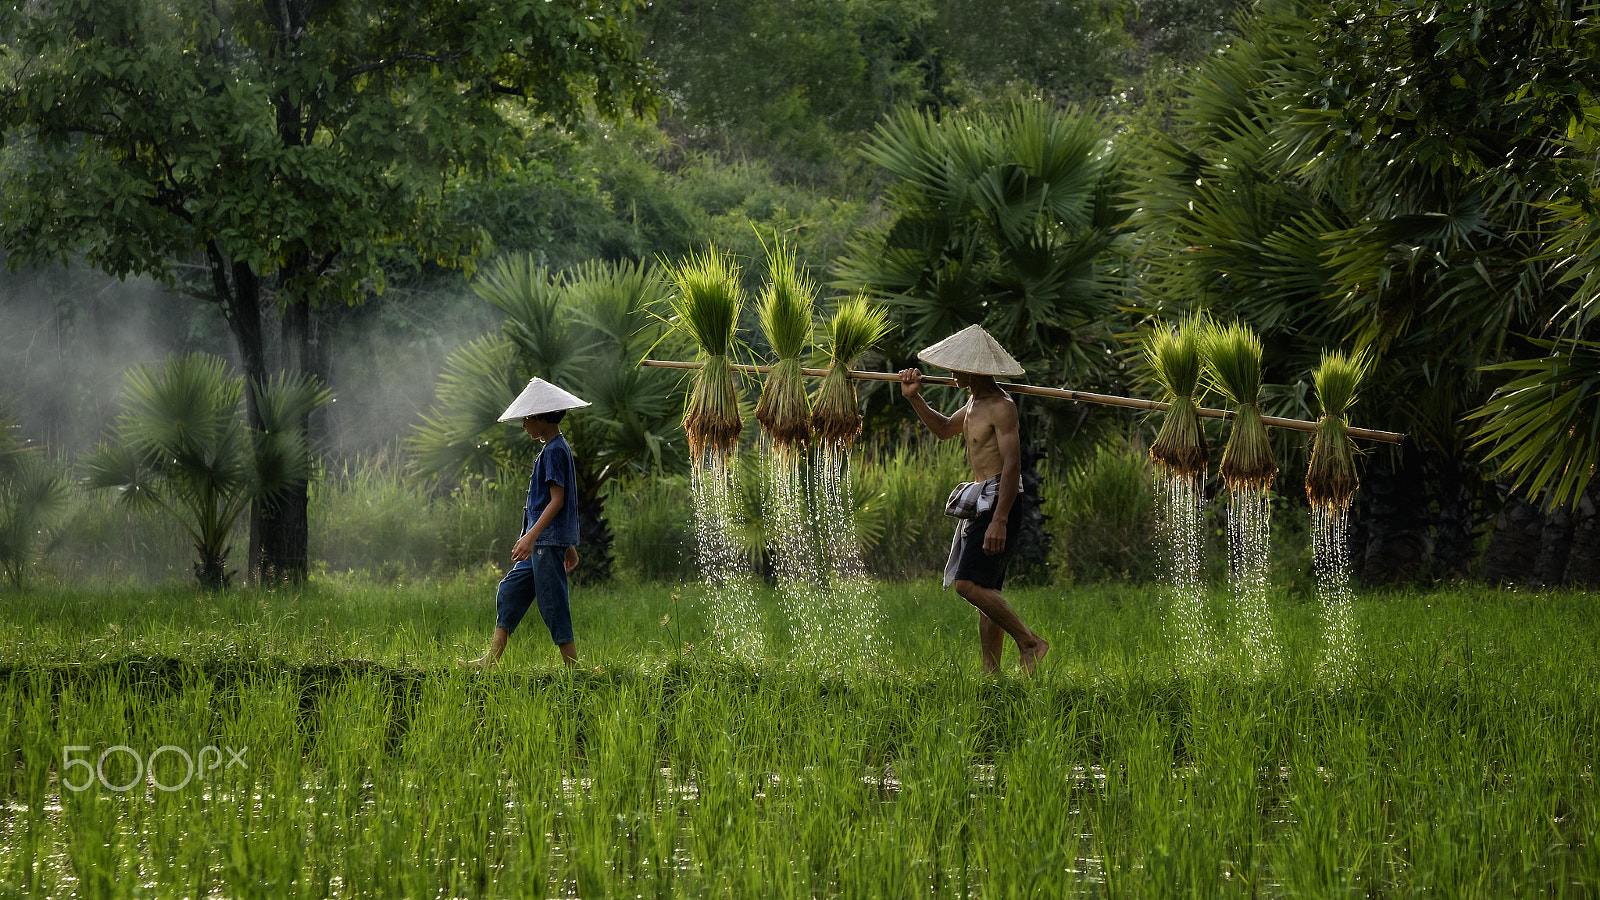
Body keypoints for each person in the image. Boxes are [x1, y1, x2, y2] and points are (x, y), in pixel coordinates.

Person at [899, 325, 1050, 675]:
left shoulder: (1001, 407)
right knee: (986, 590)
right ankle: (990, 672)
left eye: (956, 366)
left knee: (967, 585)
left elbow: (1013, 466)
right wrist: (914, 397)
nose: (951, 372)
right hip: (984, 499)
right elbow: (942, 430)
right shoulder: (972, 403)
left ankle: (1029, 641)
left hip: (1000, 500)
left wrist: (999, 518)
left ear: (974, 369)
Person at [461, 377, 589, 669]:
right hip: (545, 543)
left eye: (527, 419)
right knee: (509, 590)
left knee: (553, 603)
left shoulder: (555, 450)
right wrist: (567, 544)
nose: (524, 425)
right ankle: (491, 659)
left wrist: (531, 537)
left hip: (543, 544)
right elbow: (561, 502)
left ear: (541, 418)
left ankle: (574, 669)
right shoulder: (552, 449)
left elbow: (558, 500)